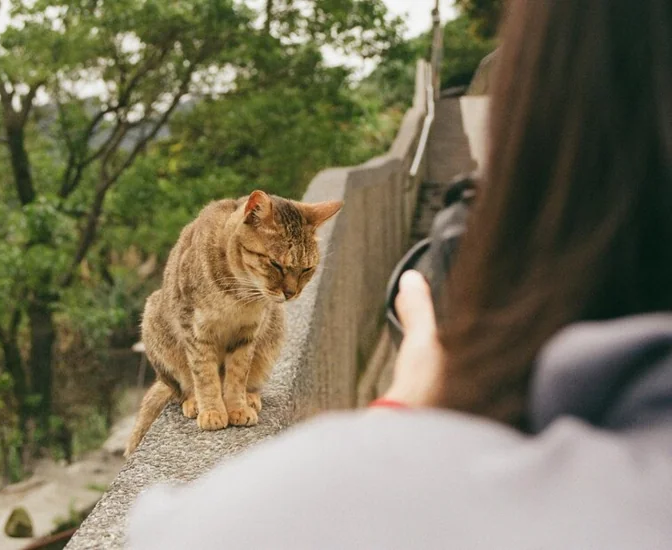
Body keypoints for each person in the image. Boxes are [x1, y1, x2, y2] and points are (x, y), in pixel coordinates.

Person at [126, 0, 672, 548]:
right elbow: (191, 328)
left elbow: (159, 528)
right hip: (189, 352)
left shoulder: (301, 504)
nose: (292, 290)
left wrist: (401, 418)